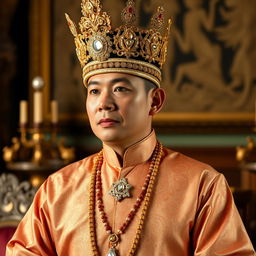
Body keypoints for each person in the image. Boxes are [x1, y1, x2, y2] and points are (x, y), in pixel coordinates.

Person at [6, 0, 256, 255]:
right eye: (94, 91)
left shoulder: (203, 186)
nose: (104, 103)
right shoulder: (58, 189)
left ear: (155, 101)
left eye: (120, 89)